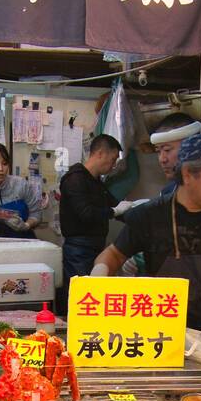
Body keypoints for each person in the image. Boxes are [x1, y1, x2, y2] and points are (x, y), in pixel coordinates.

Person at [91, 133, 201, 344]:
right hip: (160, 338)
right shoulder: (149, 216)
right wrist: (99, 274)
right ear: (188, 174)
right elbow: (113, 255)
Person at [57, 133, 124, 314]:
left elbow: (114, 204)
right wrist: (115, 211)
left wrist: (135, 209)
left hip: (95, 247)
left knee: (92, 300)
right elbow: (86, 213)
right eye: (112, 159)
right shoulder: (75, 179)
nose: (113, 165)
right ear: (100, 153)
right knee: (82, 299)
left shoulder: (96, 182)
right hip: (79, 249)